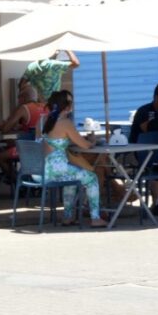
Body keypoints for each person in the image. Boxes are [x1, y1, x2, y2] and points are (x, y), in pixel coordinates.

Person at [39, 90, 105, 228]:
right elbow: (85, 145)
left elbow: (54, 140)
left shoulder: (44, 120)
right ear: (67, 106)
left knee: (71, 180)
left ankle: (68, 217)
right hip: (58, 170)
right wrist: (92, 141)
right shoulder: (65, 122)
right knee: (92, 177)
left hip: (42, 171)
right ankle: (95, 218)